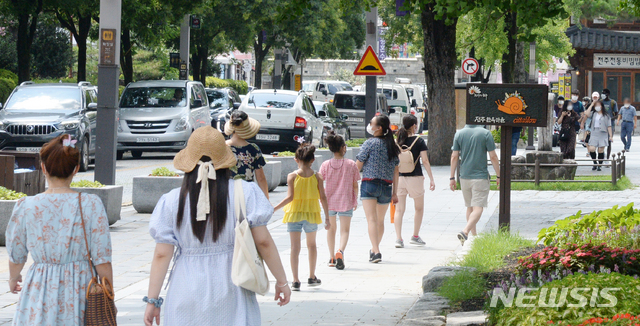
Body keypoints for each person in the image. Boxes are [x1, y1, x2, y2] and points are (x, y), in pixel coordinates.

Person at [144, 127, 290, 326]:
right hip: (232, 287)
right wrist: (281, 281)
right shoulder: (245, 193)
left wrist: (152, 300)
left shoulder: (171, 201)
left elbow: (162, 254)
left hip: (185, 287)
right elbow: (263, 241)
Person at [6, 134, 113, 324]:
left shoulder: (27, 205)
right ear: (76, 169)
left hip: (39, 286)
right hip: (80, 286)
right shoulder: (91, 204)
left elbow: (17, 251)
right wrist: (108, 294)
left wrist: (14, 278)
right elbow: (102, 258)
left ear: (43, 167)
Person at [274, 144, 330, 291]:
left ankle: (295, 280)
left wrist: (274, 208)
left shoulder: (292, 176)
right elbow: (323, 197)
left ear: (296, 159)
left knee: (294, 248)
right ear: (312, 160)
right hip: (311, 213)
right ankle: (312, 276)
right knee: (312, 245)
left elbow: (290, 197)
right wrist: (328, 218)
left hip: (294, 214)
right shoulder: (318, 176)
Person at [356, 115, 400, 263]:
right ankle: (375, 249)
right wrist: (395, 192)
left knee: (371, 220)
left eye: (371, 123)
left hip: (369, 184)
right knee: (380, 221)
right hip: (386, 187)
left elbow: (358, 164)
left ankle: (376, 251)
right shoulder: (392, 146)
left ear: (379, 128)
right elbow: (396, 170)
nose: (369, 125)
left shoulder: (369, 143)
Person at [449, 125, 500, 246]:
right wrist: (499, 175)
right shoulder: (485, 133)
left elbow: (454, 156)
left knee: (469, 207)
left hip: (464, 176)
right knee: (478, 207)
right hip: (480, 176)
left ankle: (474, 236)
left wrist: (452, 177)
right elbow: (493, 156)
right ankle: (466, 231)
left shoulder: (459, 134)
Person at [318, 131, 360, 270]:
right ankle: (340, 251)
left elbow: (320, 183)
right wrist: (355, 200)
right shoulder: (351, 164)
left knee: (331, 229)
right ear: (343, 148)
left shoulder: (325, 165)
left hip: (329, 200)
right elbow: (355, 184)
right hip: (346, 200)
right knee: (345, 230)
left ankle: (331, 257)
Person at [393, 115, 435, 248]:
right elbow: (425, 161)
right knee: (419, 208)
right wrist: (431, 179)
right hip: (415, 177)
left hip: (399, 178)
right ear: (413, 125)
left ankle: (398, 239)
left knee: (399, 210)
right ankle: (415, 236)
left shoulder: (397, 141)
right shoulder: (419, 141)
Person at [225, 110, 269, 198]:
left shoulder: (222, 147)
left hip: (226, 191)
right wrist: (266, 198)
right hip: (247, 193)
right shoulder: (253, 149)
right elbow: (260, 178)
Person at [585, 100, 613, 171]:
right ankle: (595, 162)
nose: (597, 107)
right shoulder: (594, 114)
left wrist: (610, 136)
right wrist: (591, 104)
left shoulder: (606, 115)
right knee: (591, 148)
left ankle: (599, 165)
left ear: (602, 106)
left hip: (603, 133)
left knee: (600, 150)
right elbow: (587, 114)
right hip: (594, 132)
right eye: (596, 106)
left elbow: (609, 126)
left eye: (598, 105)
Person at [601, 89, 618, 161]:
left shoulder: (613, 102)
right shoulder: (601, 102)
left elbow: (616, 115)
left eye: (604, 93)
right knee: (601, 141)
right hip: (601, 124)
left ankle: (607, 158)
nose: (603, 94)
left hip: (610, 125)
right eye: (602, 93)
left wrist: (610, 119)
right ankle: (602, 155)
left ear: (608, 94)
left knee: (609, 141)